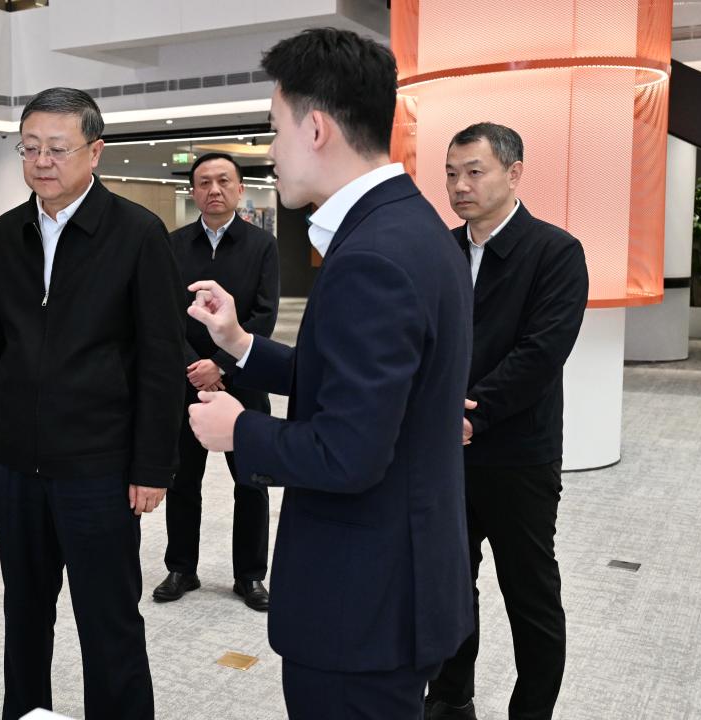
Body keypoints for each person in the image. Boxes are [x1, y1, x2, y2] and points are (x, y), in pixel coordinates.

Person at [186, 28, 474, 718]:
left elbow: (349, 452)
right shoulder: (411, 227)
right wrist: (241, 343)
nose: (269, 151)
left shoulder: (372, 256)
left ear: (315, 128)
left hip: (362, 603)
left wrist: (239, 429)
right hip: (398, 581)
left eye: (273, 128)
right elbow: (358, 385)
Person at [0, 87, 185, 720]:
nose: (41, 162)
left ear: (95, 151)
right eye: (30, 148)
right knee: (23, 616)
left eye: (57, 149)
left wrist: (152, 465)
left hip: (100, 468)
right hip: (16, 466)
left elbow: (161, 359)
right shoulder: (4, 235)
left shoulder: (138, 234)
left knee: (108, 623)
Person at [425, 123, 589, 720]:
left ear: (514, 173)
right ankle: (450, 697)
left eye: (475, 171)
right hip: (445, 454)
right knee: (448, 585)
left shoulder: (556, 251)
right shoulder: (439, 249)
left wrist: (474, 413)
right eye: (451, 173)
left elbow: (541, 353)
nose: (459, 186)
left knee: (530, 596)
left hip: (519, 456)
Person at [153, 152, 278, 612]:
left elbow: (264, 316)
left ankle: (250, 575)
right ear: (194, 191)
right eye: (204, 182)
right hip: (186, 383)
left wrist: (221, 365)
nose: (214, 189)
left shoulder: (262, 245)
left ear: (240, 189)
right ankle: (181, 567)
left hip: (245, 381)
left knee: (251, 482)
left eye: (224, 181)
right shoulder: (173, 244)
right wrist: (197, 367)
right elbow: (165, 315)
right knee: (183, 479)